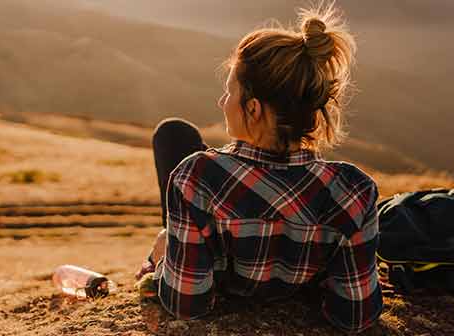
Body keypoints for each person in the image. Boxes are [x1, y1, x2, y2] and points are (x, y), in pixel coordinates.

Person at [137, 3, 382, 333]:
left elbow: (186, 305)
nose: (221, 102)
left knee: (174, 135)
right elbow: (355, 316)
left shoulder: (195, 177)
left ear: (252, 108)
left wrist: (163, 254)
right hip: (300, 273)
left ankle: (176, 236)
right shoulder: (354, 189)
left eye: (228, 92)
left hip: (220, 256)